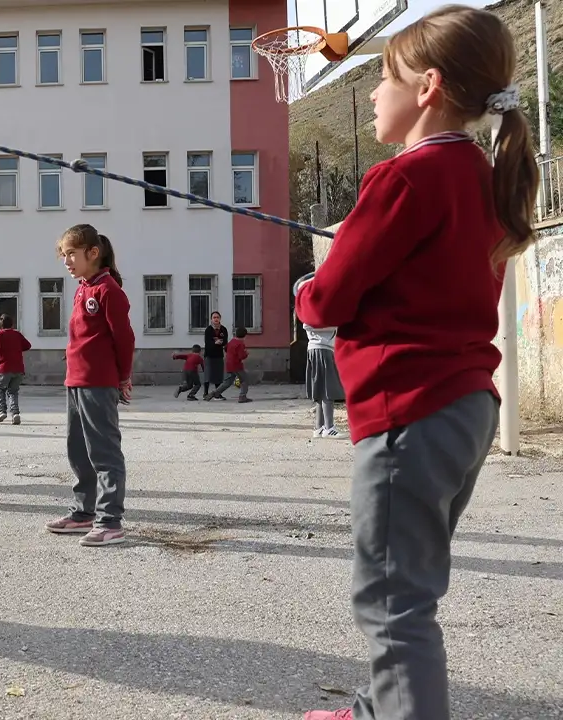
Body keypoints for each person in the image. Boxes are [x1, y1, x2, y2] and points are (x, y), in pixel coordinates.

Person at [296, 7, 538, 720]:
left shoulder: (404, 178)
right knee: (409, 583)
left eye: (383, 78)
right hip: (463, 407)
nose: (372, 94)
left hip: (413, 409)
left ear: (427, 87)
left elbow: (328, 301)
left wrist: (310, 285)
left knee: (393, 602)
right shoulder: (481, 172)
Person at [45, 224, 134, 547]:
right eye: (63, 255)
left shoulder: (108, 290)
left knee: (104, 451)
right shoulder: (84, 287)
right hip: (76, 381)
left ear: (92, 253)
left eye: (71, 253)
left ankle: (110, 520)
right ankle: (83, 512)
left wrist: (123, 376)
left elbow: (124, 338)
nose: (66, 260)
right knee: (78, 450)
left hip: (99, 383)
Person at [302, 321, 343, 437]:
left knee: (320, 388)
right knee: (327, 387)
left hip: (322, 348)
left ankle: (319, 427)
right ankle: (329, 427)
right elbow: (307, 325)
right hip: (322, 348)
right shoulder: (314, 309)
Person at [0, 314, 31, 424]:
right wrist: (17, 349)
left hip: (5, 367)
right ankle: (15, 413)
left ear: (1, 324)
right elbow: (28, 345)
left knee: (0, 389)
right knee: (13, 391)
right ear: (12, 324)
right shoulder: (17, 334)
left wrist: (0, 355)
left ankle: (2, 411)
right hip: (18, 367)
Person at [208, 328, 251, 403]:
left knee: (227, 382)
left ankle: (215, 393)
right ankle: (242, 397)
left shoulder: (232, 341)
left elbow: (225, 348)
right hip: (237, 365)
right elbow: (241, 356)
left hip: (229, 363)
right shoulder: (240, 344)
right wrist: (246, 354)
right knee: (244, 380)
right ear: (244, 335)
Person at [203, 311, 228, 396]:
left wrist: (221, 342)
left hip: (219, 355)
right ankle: (205, 393)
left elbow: (225, 340)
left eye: (217, 317)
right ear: (211, 319)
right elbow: (207, 342)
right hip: (209, 355)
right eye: (214, 317)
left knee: (218, 375)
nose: (216, 319)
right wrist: (215, 343)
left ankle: (217, 393)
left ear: (220, 318)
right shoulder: (208, 330)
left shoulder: (223, 329)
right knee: (208, 374)